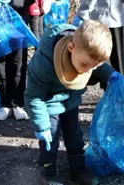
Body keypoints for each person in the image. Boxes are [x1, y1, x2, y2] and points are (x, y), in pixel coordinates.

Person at [24, 20, 115, 185]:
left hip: (70, 100)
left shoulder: (86, 56)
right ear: (71, 48)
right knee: (50, 139)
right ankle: (47, 172)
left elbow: (97, 65)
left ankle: (78, 169)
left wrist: (110, 75)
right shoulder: (44, 63)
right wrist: (41, 125)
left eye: (93, 67)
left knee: (74, 136)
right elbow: (33, 96)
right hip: (48, 103)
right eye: (85, 65)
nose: (88, 70)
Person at [74, 0, 124, 75]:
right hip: (119, 14)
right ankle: (120, 84)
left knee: (101, 63)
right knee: (117, 64)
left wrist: (82, 13)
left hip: (100, 16)